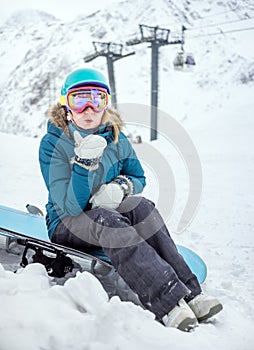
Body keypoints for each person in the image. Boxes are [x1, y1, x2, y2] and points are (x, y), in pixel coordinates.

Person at [39, 67, 222, 332]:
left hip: (105, 210)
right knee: (108, 220)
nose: (89, 108)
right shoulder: (52, 143)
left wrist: (121, 187)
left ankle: (192, 294)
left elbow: (137, 176)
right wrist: (84, 164)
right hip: (65, 222)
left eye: (97, 99)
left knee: (143, 207)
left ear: (106, 103)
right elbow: (71, 207)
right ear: (66, 105)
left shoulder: (115, 138)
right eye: (80, 100)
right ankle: (168, 302)